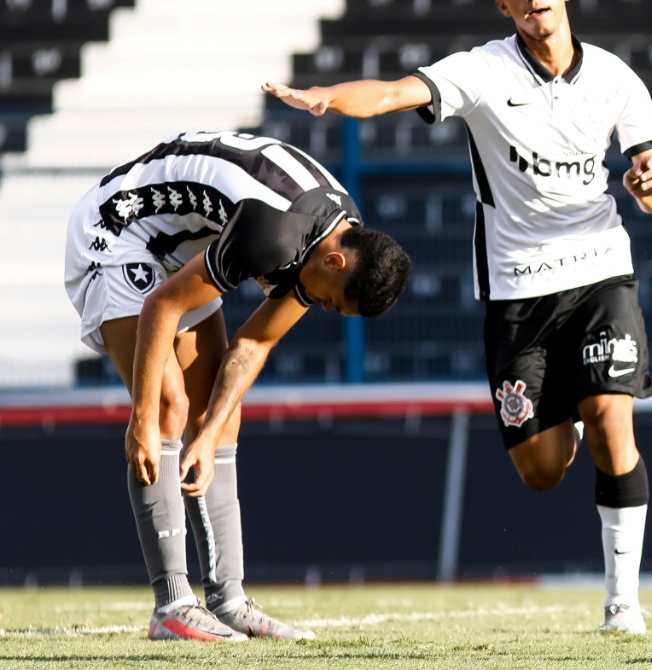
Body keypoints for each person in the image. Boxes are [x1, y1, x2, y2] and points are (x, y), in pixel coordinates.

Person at [261, 0, 652, 635]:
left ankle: (622, 602)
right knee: (542, 471)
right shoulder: (483, 70)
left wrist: (651, 184)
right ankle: (565, 412)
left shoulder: (616, 80)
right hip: (517, 290)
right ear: (503, 3)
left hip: (601, 269)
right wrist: (331, 97)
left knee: (613, 422)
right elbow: (398, 92)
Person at [64, 128, 412, 641]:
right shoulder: (277, 234)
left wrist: (206, 438)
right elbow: (162, 305)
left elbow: (254, 345)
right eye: (333, 300)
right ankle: (172, 604)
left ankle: (228, 599)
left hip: (179, 242)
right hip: (117, 231)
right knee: (167, 405)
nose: (323, 307)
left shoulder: (333, 237)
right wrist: (140, 418)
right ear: (336, 262)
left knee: (218, 417)